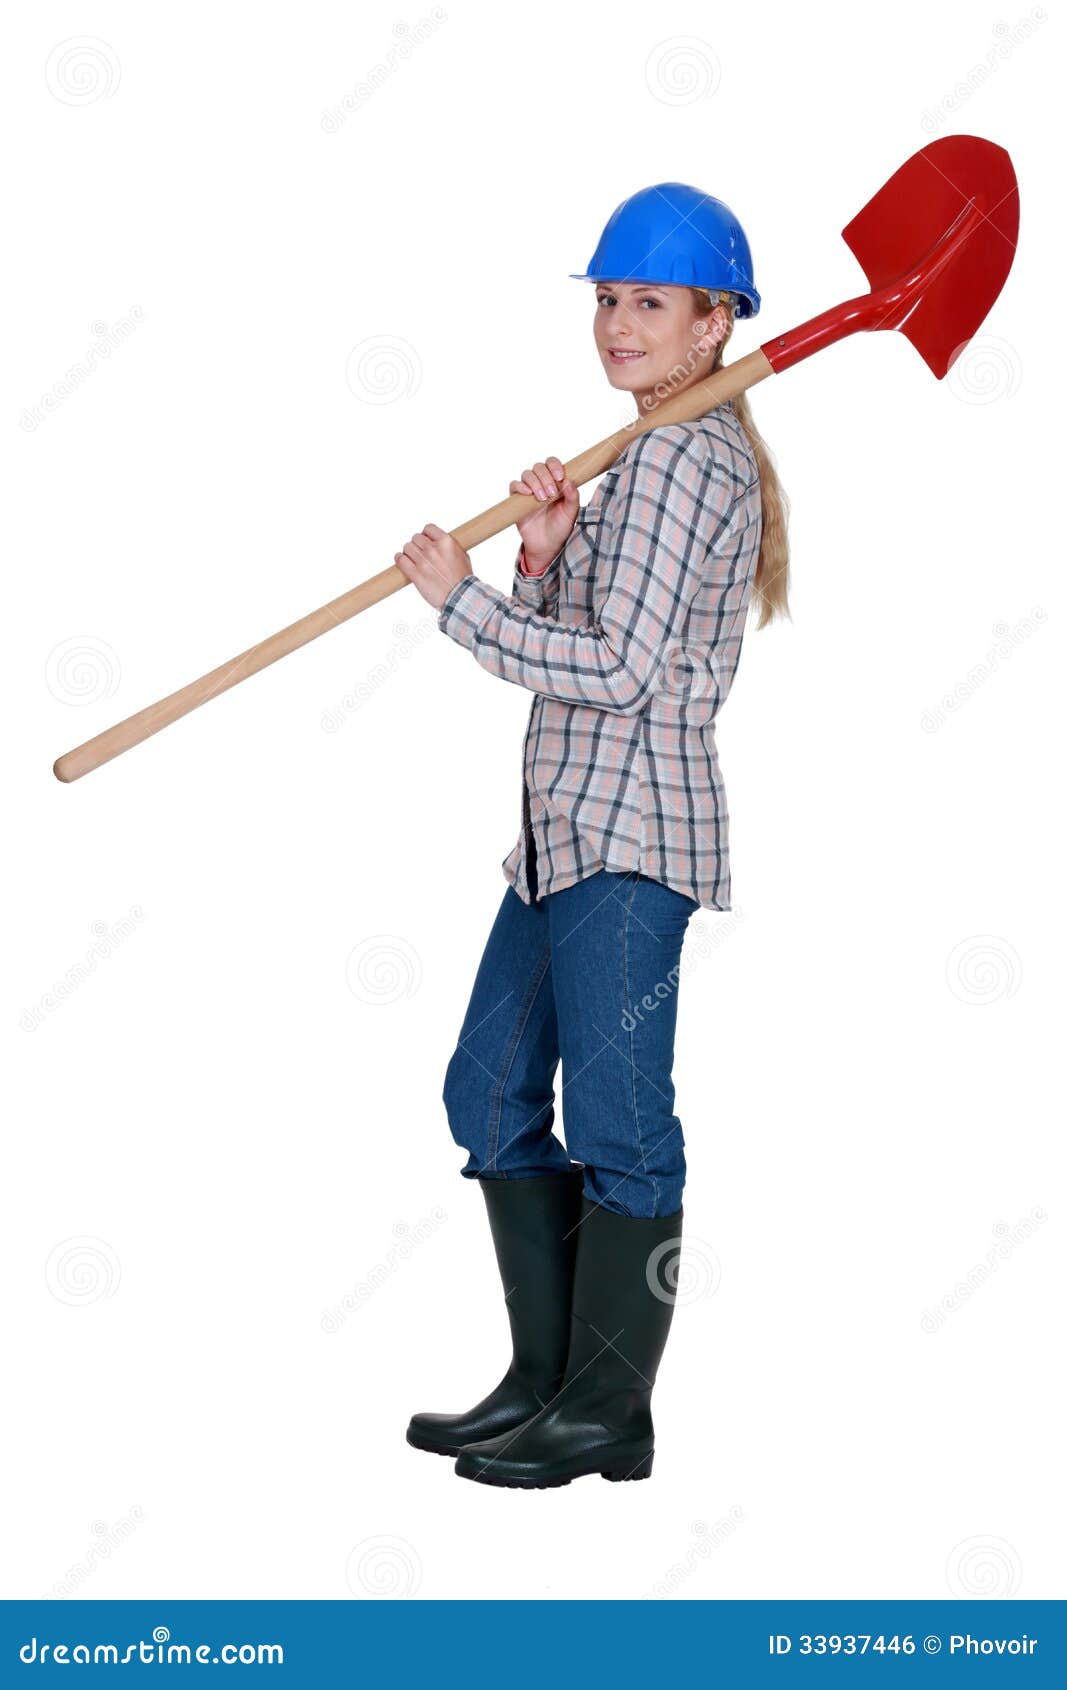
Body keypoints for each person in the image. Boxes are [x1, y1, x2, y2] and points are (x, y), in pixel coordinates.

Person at [393, 183, 790, 1489]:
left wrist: (459, 607)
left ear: (714, 320)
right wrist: (548, 553)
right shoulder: (640, 446)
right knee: (490, 1091)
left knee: (619, 1122)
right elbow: (603, 621)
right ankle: (547, 1380)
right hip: (562, 833)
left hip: (630, 839)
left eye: (651, 302)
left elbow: (619, 670)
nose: (619, 323)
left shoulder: (688, 452)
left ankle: (609, 1410)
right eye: (608, 298)